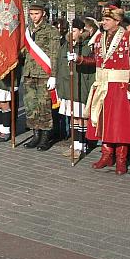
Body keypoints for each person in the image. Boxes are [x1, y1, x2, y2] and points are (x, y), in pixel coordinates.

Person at [79, 5, 130, 175]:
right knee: (102, 121)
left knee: (119, 124)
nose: (103, 23)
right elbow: (95, 60)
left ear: (117, 21)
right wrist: (79, 59)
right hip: (102, 84)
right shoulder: (99, 37)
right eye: (103, 19)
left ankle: (121, 158)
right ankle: (107, 155)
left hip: (119, 85)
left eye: (107, 20)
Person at [21, 0, 60, 151]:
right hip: (29, 72)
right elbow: (25, 50)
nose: (33, 17)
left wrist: (53, 75)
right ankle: (35, 135)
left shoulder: (51, 31)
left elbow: (54, 54)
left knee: (44, 107)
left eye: (36, 14)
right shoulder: (28, 30)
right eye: (31, 14)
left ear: (43, 13)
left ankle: (45, 138)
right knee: (31, 105)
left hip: (44, 74)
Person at [56, 18, 96, 157]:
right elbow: (58, 64)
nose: (71, 33)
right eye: (70, 30)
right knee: (73, 116)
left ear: (81, 31)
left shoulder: (86, 46)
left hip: (81, 85)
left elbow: (91, 67)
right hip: (67, 86)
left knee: (81, 116)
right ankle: (74, 144)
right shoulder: (65, 45)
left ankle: (82, 145)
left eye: (74, 30)